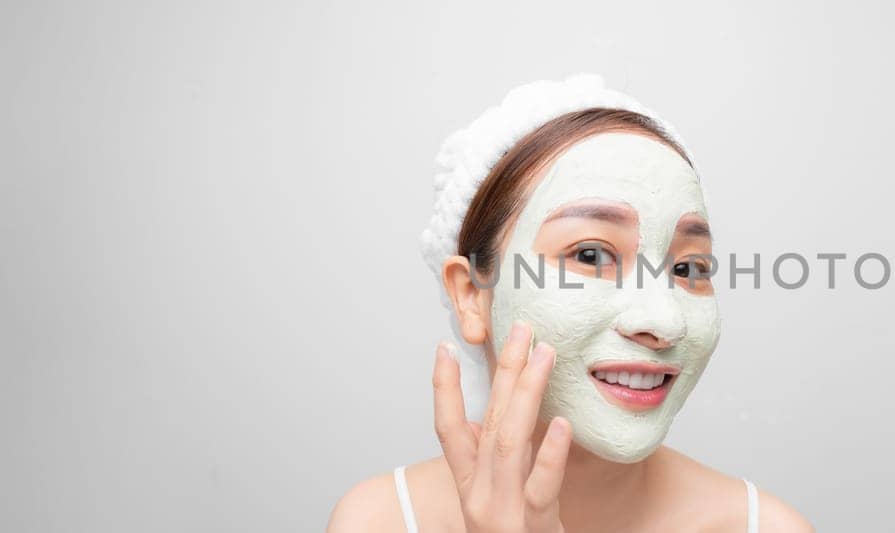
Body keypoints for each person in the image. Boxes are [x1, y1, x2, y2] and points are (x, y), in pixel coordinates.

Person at [326, 75, 812, 532]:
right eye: (590, 254)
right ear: (471, 294)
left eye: (688, 269)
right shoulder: (377, 520)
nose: (664, 321)